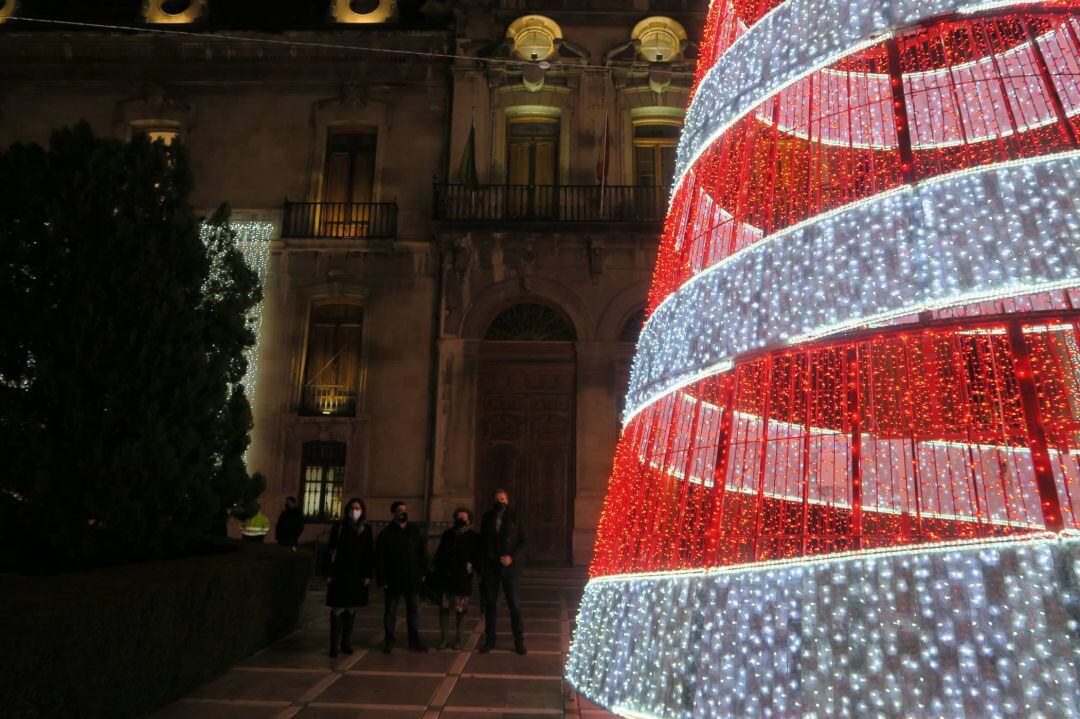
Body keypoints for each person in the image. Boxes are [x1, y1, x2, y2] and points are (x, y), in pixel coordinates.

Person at [324, 497, 375, 658]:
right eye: (353, 507)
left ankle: (346, 642)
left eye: (358, 507)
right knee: (337, 609)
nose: (355, 510)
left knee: (351, 609)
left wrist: (368, 574)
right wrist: (328, 572)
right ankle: (334, 645)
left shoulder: (366, 529)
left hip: (357, 574)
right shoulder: (339, 527)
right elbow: (331, 550)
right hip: (340, 573)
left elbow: (369, 553)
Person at [375, 501, 428, 653]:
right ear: (393, 513)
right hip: (393, 580)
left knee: (413, 610)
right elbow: (380, 558)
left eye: (405, 510)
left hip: (412, 579)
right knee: (391, 611)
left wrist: (423, 572)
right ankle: (389, 640)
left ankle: (414, 640)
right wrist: (382, 579)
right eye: (399, 510)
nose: (403, 513)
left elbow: (422, 552)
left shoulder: (414, 531)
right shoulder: (386, 533)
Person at [479, 488, 527, 655]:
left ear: (508, 500)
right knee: (490, 604)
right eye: (498, 499)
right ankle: (490, 640)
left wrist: (512, 558)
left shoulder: (515, 517)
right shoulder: (487, 517)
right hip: (492, 567)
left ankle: (519, 641)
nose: (501, 501)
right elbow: (483, 541)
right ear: (494, 500)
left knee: (514, 605)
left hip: (510, 567)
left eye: (504, 498)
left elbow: (523, 541)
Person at [433, 507, 482, 650]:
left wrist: (472, 564)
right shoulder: (448, 534)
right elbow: (439, 553)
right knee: (444, 608)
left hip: (462, 578)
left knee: (461, 610)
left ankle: (459, 639)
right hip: (446, 577)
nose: (460, 521)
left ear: (469, 521)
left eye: (463, 518)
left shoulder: (474, 536)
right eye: (458, 518)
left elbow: (478, 556)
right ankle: (444, 639)